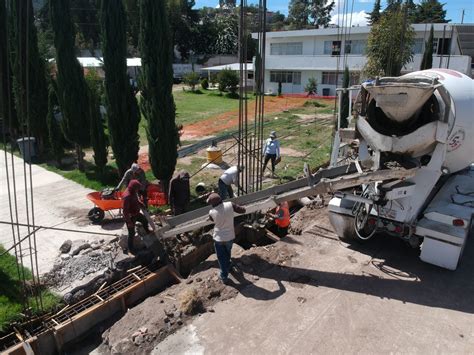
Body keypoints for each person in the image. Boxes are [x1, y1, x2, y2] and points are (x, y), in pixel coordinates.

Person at [207, 193, 246, 284]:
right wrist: (242, 207)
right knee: (227, 252)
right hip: (229, 237)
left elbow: (212, 219)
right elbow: (242, 210)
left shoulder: (212, 212)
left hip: (219, 238)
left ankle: (224, 276)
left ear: (213, 204)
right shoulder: (230, 204)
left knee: (221, 258)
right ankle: (228, 264)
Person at [122, 180, 152, 254]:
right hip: (130, 216)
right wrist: (129, 222)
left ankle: (147, 231)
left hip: (136, 213)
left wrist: (141, 204)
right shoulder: (127, 196)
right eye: (137, 188)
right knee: (131, 233)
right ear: (133, 188)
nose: (138, 190)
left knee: (144, 220)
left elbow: (136, 200)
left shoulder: (133, 192)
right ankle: (131, 249)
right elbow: (125, 212)